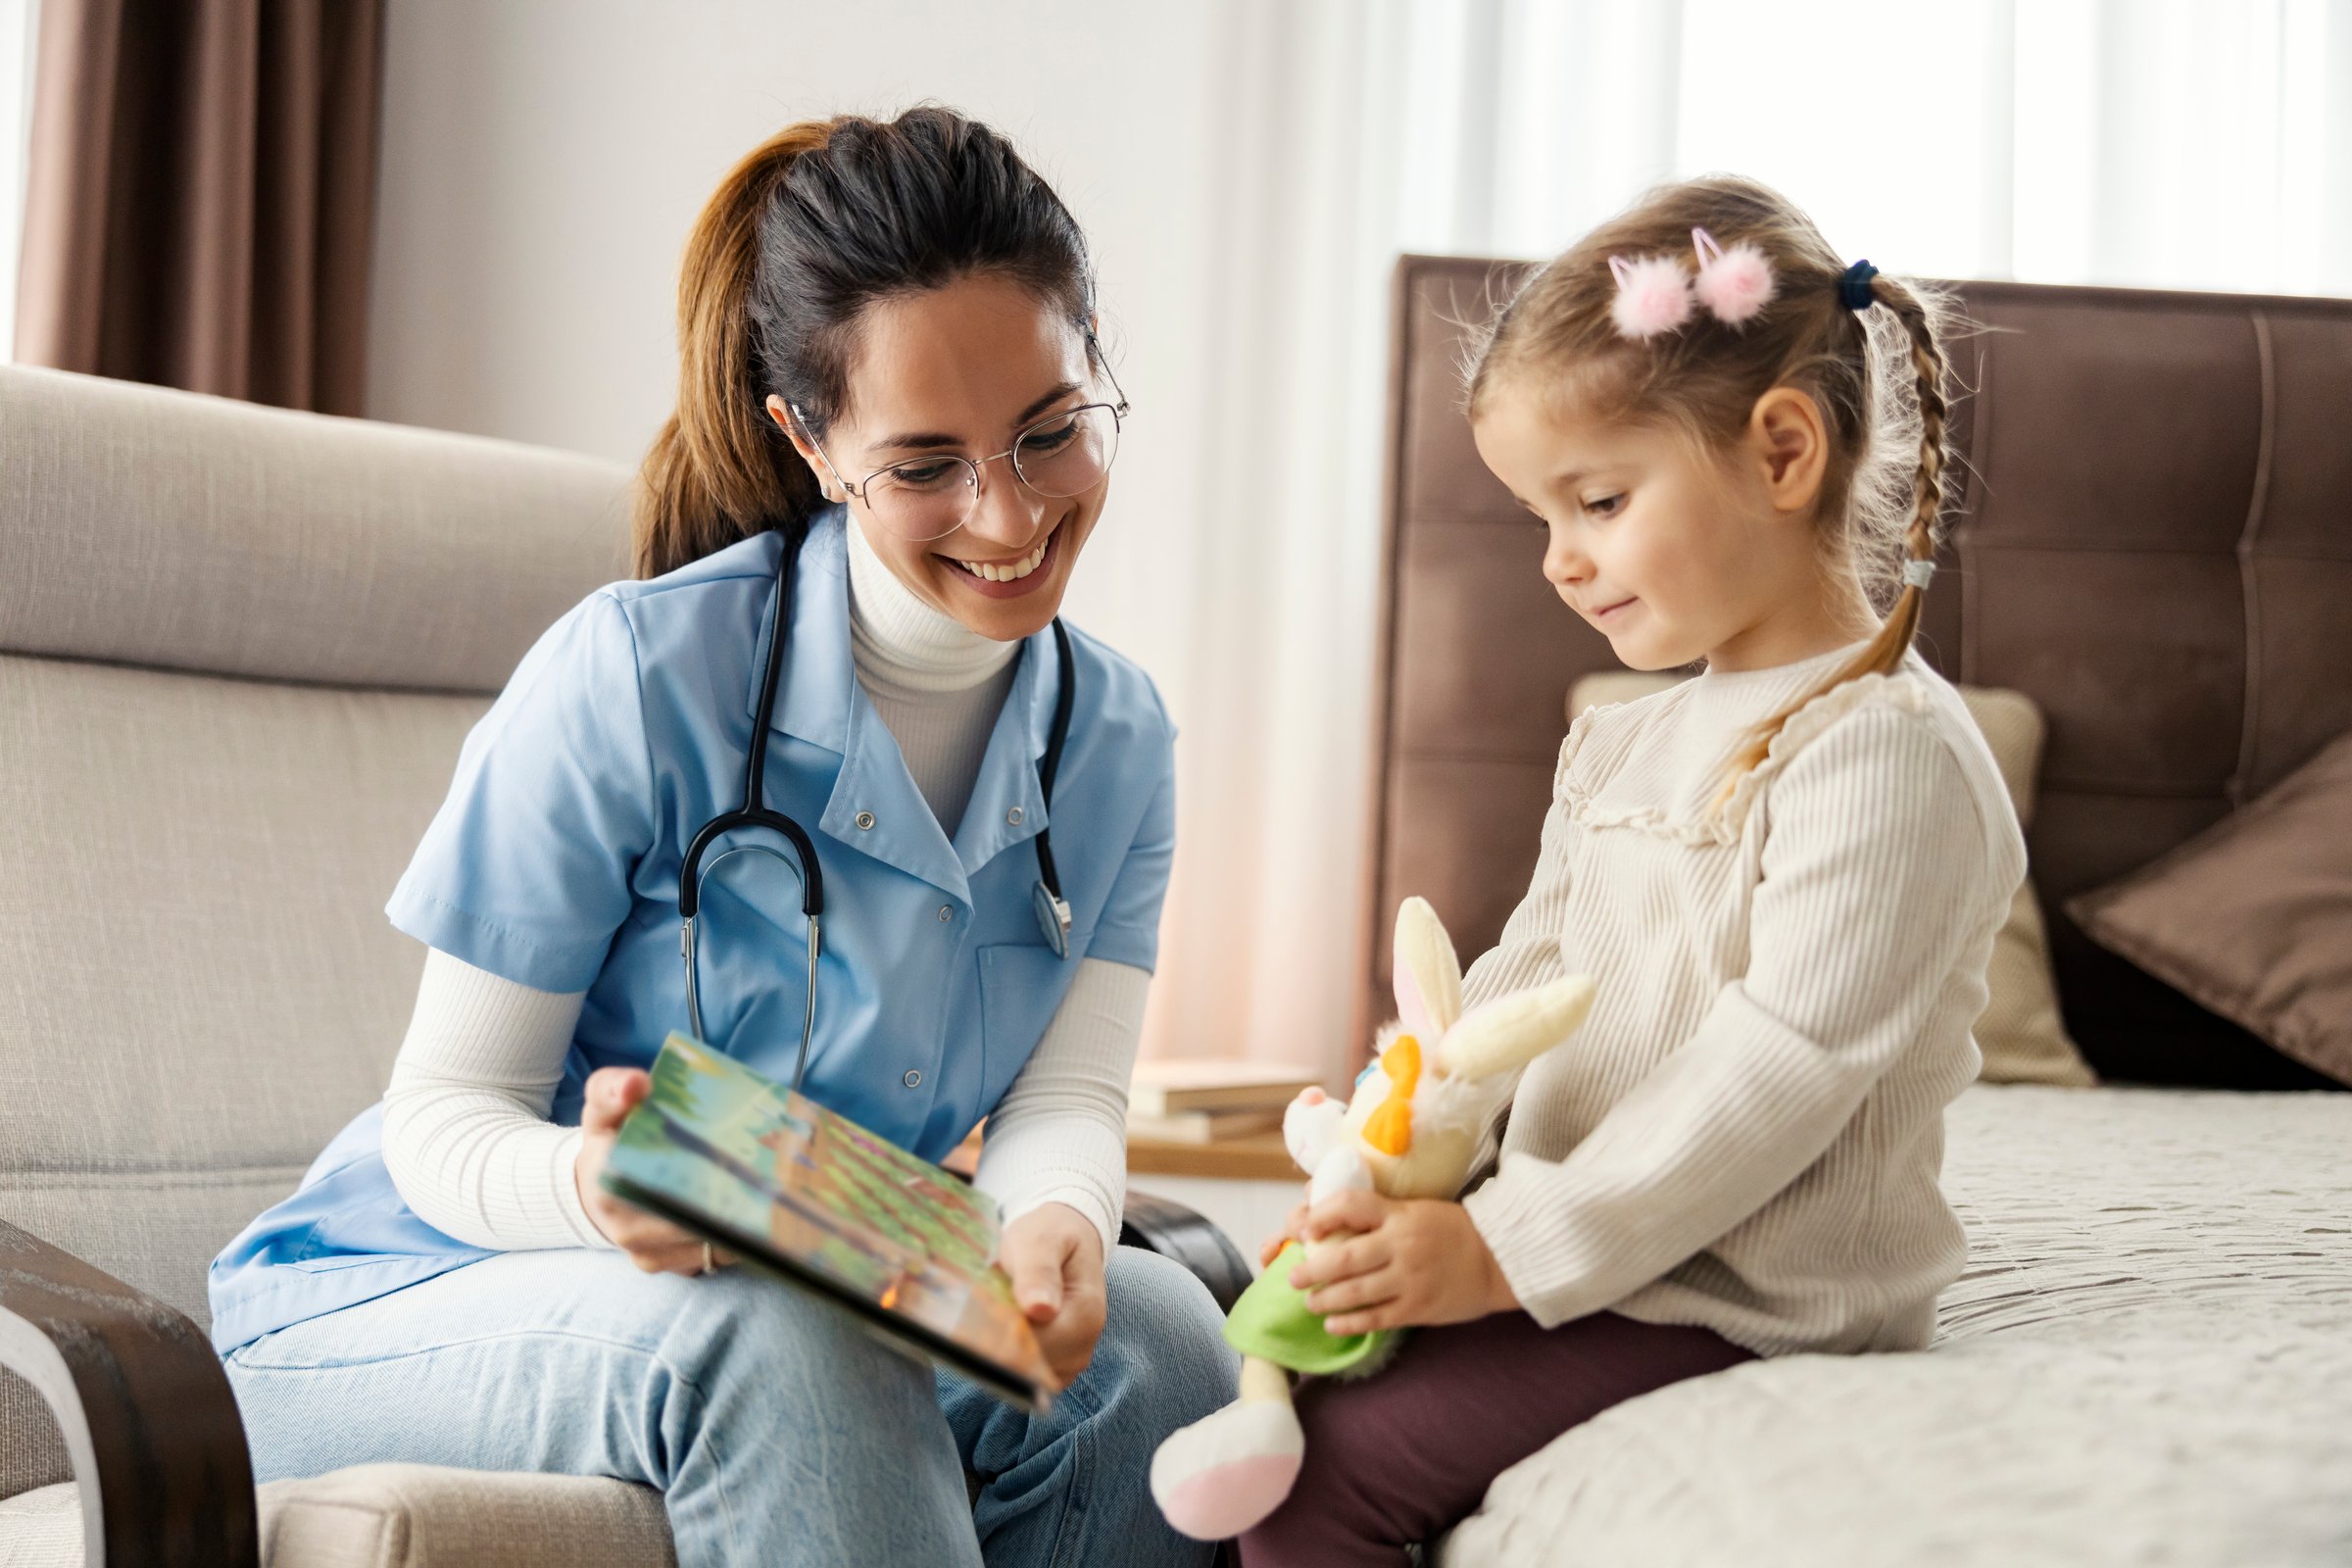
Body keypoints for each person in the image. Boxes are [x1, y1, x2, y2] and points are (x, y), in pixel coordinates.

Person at [208, 107, 1237, 1568]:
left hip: (816, 1245)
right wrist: (599, 1184)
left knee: (1163, 1341)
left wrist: (1054, 1222)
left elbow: (1066, 1100)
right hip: (415, 1291)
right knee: (792, 1346)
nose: (1010, 512)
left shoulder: (1117, 737)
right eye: (927, 463)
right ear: (811, 442)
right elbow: (447, 1120)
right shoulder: (633, 675)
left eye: (1052, 432)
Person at [1241, 176, 2024, 1565]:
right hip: (1588, 1253)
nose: (1559, 561)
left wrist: (1498, 1260)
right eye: (1543, 517)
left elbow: (1772, 1074)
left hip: (1739, 1295)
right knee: (1263, 1371)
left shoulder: (1882, 756)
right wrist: (1395, 1167)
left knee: (1329, 1469)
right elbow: (1504, 1001)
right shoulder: (1621, 743)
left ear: (1782, 453)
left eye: (1596, 500)